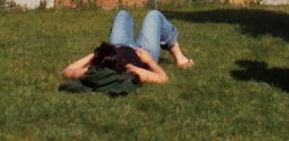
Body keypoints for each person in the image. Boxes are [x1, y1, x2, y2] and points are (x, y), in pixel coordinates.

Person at [60, 9, 194, 95]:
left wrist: (93, 55)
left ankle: (126, 18)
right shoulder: (131, 70)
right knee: (154, 15)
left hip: (119, 46)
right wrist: (149, 61)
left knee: (122, 14)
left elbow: (66, 71)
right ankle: (180, 58)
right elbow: (163, 78)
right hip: (144, 51)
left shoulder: (94, 71)